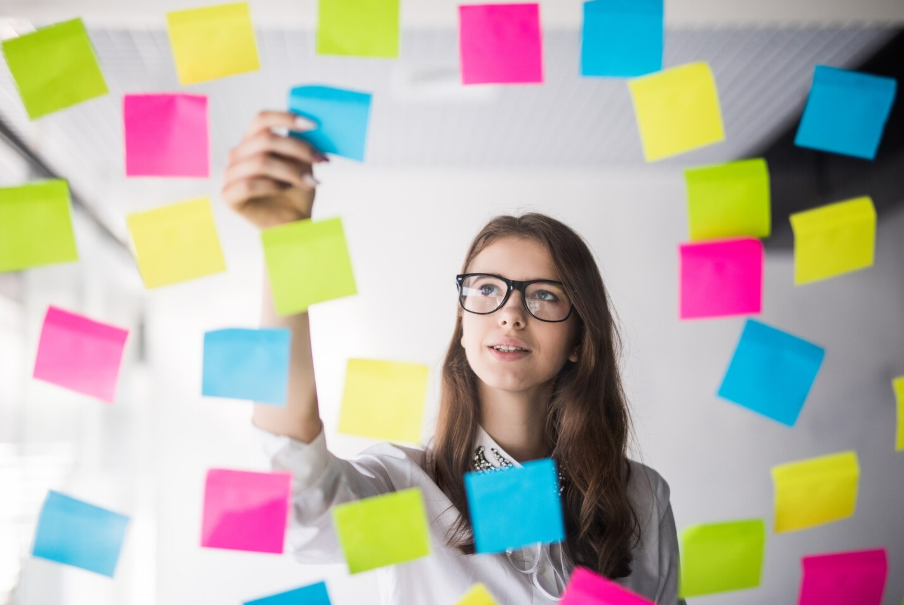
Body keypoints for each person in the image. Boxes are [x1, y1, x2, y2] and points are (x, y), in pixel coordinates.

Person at [222, 111, 685, 605]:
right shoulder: (405, 486)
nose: (510, 314)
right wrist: (284, 242)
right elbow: (297, 506)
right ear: (462, 324)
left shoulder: (642, 496)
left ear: (580, 338)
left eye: (545, 295)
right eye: (487, 289)